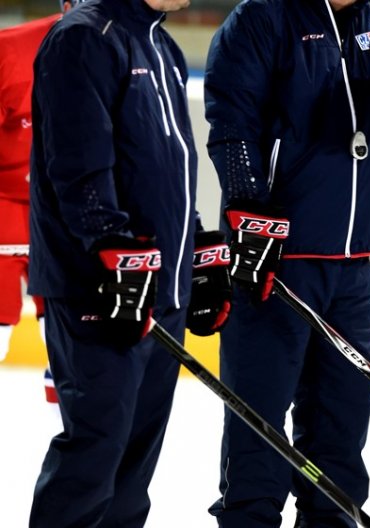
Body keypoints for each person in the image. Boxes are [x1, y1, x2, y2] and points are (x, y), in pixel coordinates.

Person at [204, 0, 370, 526]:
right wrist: (249, 210)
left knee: (340, 432)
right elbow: (231, 119)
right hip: (279, 260)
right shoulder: (263, 18)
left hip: (351, 266)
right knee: (258, 431)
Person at [27, 0, 231, 525]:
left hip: (158, 289)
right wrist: (112, 249)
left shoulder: (162, 45)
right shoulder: (83, 39)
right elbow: (77, 165)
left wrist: (196, 251)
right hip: (101, 285)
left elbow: (166, 172)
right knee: (96, 452)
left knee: (134, 464)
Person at [0, 0, 80, 403]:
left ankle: (78, 453)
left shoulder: (131, 51)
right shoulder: (10, 51)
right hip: (8, 203)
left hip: (73, 211)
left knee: (70, 338)